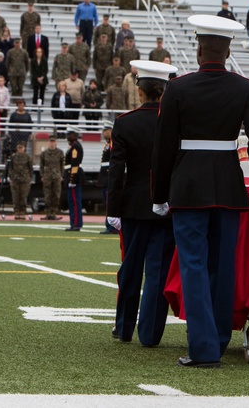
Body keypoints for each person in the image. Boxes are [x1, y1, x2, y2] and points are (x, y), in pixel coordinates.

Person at [152, 15, 249, 368]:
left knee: (193, 265)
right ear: (229, 49)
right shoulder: (244, 88)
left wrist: (159, 195)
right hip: (229, 185)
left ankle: (203, 349)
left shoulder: (177, 88)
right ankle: (217, 341)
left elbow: (163, 148)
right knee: (223, 267)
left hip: (188, 186)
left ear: (199, 48)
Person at [109, 60, 178, 344]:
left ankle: (124, 328)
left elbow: (117, 171)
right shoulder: (176, 123)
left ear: (140, 92)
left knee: (131, 269)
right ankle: (150, 334)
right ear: (164, 91)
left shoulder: (125, 122)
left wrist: (113, 209)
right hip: (167, 205)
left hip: (134, 206)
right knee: (158, 272)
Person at [63, 126, 85, 231]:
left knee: (75, 202)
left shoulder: (75, 146)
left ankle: (76, 224)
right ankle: (73, 223)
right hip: (71, 175)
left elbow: (75, 164)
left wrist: (72, 179)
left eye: (69, 134)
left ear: (75, 135)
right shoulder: (73, 146)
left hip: (74, 177)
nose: (67, 136)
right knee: (72, 202)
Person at [7, 140, 35, 220]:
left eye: (21, 148)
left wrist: (30, 178)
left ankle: (22, 212)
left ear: (24, 148)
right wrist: (10, 178)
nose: (19, 149)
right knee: (15, 197)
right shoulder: (13, 157)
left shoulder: (28, 157)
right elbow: (10, 168)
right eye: (18, 148)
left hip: (25, 179)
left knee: (23, 196)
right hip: (15, 179)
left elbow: (30, 169)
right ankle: (16, 212)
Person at [39, 136, 65, 220]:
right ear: (48, 142)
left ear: (56, 142)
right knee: (47, 196)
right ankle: (48, 213)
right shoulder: (44, 153)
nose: (52, 143)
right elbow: (41, 165)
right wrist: (42, 175)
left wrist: (61, 175)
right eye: (51, 141)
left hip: (56, 176)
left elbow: (62, 165)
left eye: (53, 141)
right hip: (47, 176)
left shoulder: (60, 152)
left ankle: (53, 213)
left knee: (56, 195)